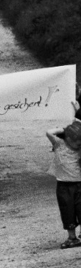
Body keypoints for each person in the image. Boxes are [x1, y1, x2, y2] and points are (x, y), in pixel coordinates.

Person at [47, 104, 81, 250]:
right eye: (75, 141)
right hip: (63, 184)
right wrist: (64, 130)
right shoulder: (59, 143)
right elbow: (49, 132)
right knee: (67, 211)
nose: (77, 144)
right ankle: (72, 237)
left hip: (79, 183)